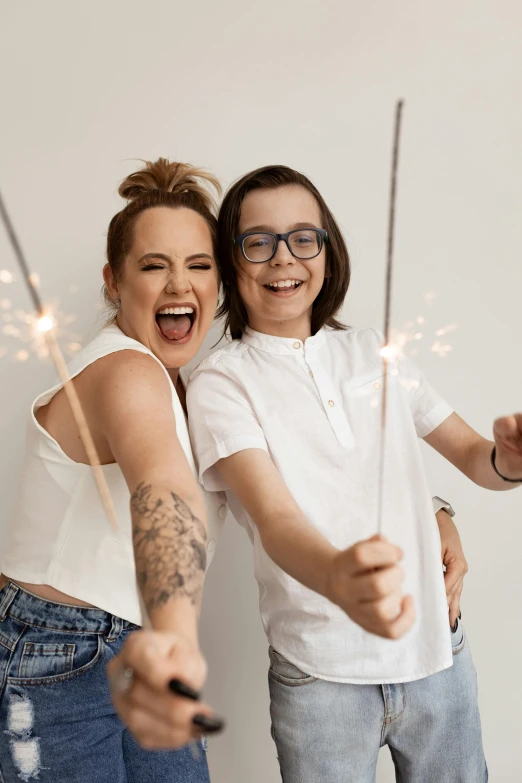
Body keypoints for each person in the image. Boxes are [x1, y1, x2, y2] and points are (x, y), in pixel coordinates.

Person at [184, 164, 521, 782]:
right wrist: (340, 576)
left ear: (327, 249)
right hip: (320, 676)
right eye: (258, 241)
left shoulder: (374, 351)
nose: (283, 258)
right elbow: (276, 519)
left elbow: (477, 460)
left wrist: (510, 461)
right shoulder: (220, 381)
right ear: (232, 262)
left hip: (437, 657)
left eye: (302, 237)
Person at [0, 158, 226, 783]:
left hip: (128, 642)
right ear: (114, 281)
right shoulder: (127, 371)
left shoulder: (188, 384)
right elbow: (161, 487)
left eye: (199, 266)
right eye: (154, 265)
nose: (180, 284)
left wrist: (435, 510)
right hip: (65, 655)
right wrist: (179, 637)